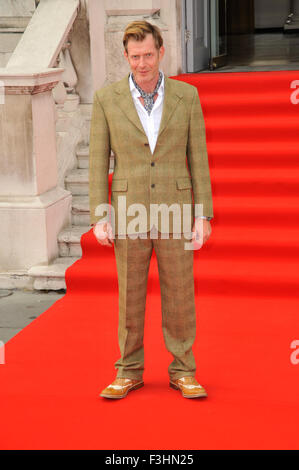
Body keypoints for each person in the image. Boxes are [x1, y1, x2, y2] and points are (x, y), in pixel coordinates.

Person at [89, 21, 213, 399]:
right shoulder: (106, 99)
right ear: (125, 57)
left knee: (179, 292)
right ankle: (128, 370)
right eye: (134, 56)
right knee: (130, 294)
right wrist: (99, 214)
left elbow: (199, 158)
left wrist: (202, 214)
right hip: (129, 210)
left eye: (148, 55)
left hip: (176, 206)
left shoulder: (186, 96)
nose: (141, 63)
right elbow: (98, 162)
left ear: (161, 52)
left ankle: (183, 369)